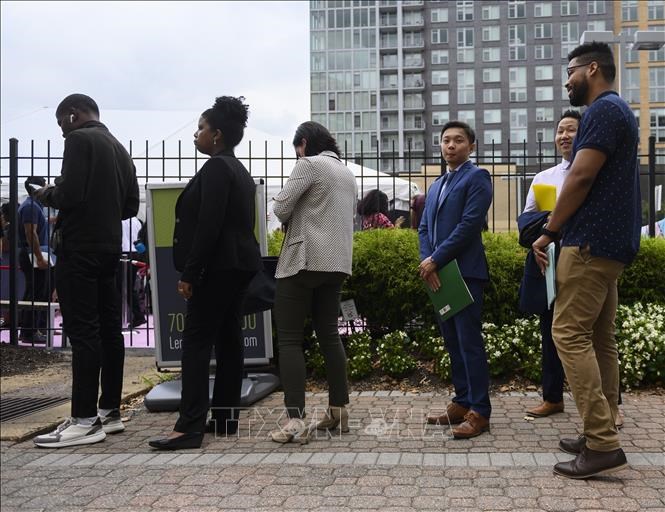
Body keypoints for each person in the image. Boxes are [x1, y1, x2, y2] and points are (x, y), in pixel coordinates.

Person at [532, 42, 639, 479]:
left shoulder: (601, 111)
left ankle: (601, 442)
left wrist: (550, 230)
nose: (567, 82)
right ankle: (603, 424)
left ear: (592, 69)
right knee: (599, 338)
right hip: (610, 245)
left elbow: (580, 175)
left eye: (570, 72)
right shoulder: (620, 111)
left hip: (590, 245)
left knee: (568, 334)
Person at [149, 96, 261, 451]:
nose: (196, 134)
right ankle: (225, 418)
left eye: (201, 128)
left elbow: (208, 226)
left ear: (217, 135)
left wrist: (191, 272)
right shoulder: (239, 170)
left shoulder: (216, 169)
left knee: (196, 343)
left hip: (216, 268)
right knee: (229, 341)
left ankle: (189, 426)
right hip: (238, 266)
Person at [32, 94, 139, 448]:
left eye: (61, 123)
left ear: (72, 115)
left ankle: (84, 419)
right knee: (110, 330)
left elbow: (70, 195)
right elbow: (130, 206)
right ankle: (110, 411)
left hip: (78, 249)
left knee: (83, 333)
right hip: (108, 249)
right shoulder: (120, 148)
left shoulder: (79, 140)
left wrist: (46, 193)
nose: (62, 131)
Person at [270, 121, 357, 444]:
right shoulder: (346, 173)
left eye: (297, 150)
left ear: (304, 143)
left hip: (303, 262)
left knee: (290, 340)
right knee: (329, 336)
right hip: (337, 264)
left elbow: (280, 208)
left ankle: (295, 420)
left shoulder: (308, 164)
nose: (297, 155)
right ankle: (338, 410)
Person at [421, 121, 493, 439]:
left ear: (471, 146)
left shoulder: (477, 177)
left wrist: (436, 259)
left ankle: (480, 411)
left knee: (469, 343)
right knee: (452, 341)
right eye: (446, 140)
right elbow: (424, 228)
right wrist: (429, 262)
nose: (451, 145)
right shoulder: (437, 184)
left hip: (464, 273)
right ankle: (462, 402)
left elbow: (470, 224)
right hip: (438, 275)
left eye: (458, 140)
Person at [519, 110, 581, 418]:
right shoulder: (544, 178)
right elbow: (526, 222)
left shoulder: (594, 173)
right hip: (548, 262)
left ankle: (610, 404)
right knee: (550, 331)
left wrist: (551, 222)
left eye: (571, 130)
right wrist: (543, 235)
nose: (564, 136)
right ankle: (553, 397)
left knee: (593, 334)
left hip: (583, 261)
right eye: (560, 131)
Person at [17, 176, 50, 344]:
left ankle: (31, 330)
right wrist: (39, 257)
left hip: (34, 253)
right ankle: (29, 332)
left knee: (35, 292)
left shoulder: (33, 206)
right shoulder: (30, 207)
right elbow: (31, 233)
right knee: (35, 293)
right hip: (33, 254)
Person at [118, 216, 146, 329]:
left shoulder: (119, 219)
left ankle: (127, 317)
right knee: (130, 287)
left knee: (120, 287)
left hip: (123, 254)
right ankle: (138, 315)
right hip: (136, 253)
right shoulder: (137, 220)